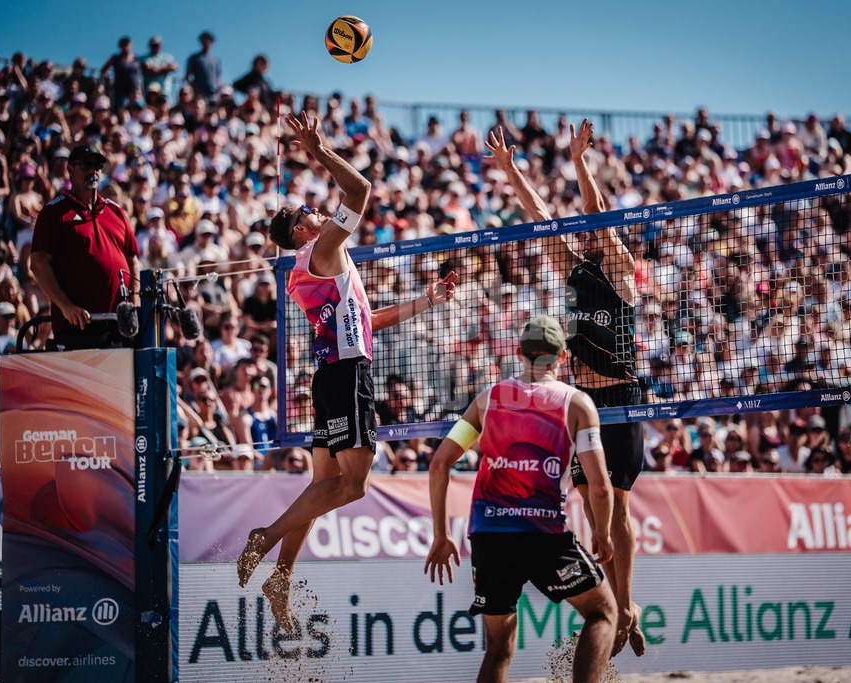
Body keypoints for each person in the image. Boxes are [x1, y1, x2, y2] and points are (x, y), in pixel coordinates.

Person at [236, 111, 459, 633]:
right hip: (345, 375)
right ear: (300, 229)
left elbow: (367, 321)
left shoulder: (314, 267)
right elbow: (359, 190)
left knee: (324, 485)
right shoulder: (321, 249)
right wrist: (318, 149)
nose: (318, 211)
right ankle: (264, 538)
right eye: (310, 210)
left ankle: (280, 578)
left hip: (333, 372)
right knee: (353, 486)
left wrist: (425, 301)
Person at [486, 120, 645, 657]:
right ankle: (615, 600)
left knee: (616, 504)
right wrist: (511, 171)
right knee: (592, 501)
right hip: (582, 404)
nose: (589, 231)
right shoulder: (574, 269)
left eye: (597, 230)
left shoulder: (622, 270)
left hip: (620, 398)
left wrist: (580, 162)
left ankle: (623, 605)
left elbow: (600, 218)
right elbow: (539, 218)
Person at [425, 315, 616, 683]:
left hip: (488, 536)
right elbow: (601, 486)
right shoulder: (576, 403)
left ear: (518, 353)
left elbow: (439, 465)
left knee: (498, 648)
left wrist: (440, 534)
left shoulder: (488, 399)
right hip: (542, 535)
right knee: (603, 613)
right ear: (563, 357)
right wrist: (603, 534)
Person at [30, 144, 140, 350]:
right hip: (77, 326)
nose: (93, 171)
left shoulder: (115, 211)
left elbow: (132, 261)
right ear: (70, 170)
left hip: (118, 326)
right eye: (86, 165)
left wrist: (134, 304)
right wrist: (66, 306)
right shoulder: (54, 212)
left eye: (98, 166)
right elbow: (37, 263)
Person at [185, 31, 222, 102]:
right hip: (200, 95)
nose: (206, 41)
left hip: (214, 95)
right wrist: (195, 89)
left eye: (209, 39)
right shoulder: (194, 58)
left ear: (212, 42)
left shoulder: (216, 60)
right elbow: (187, 77)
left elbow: (218, 77)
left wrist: (219, 90)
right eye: (204, 39)